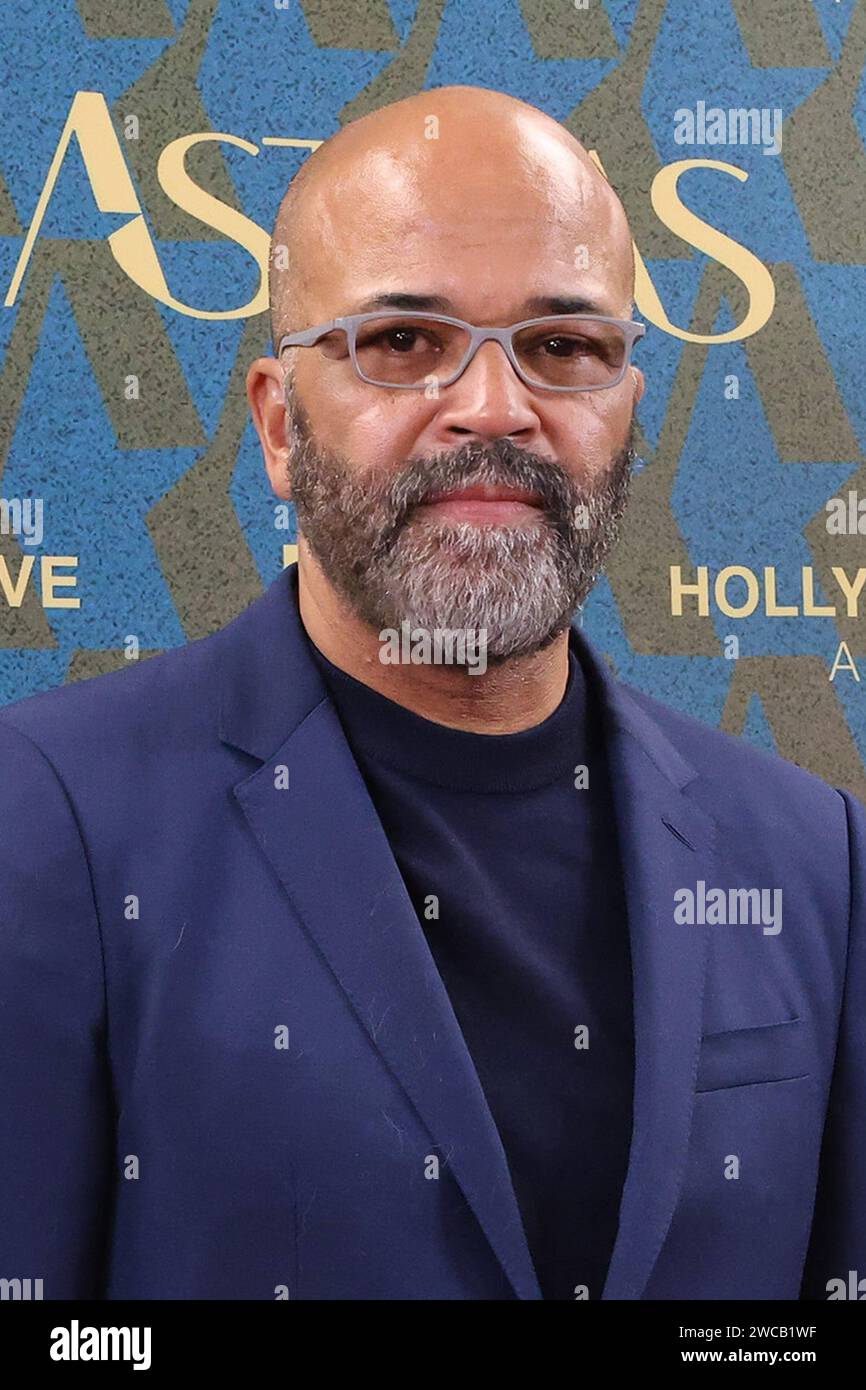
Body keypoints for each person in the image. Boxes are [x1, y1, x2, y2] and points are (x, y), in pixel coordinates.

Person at [0, 85, 862, 1301]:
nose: (495, 407)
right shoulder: (46, 823)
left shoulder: (810, 858)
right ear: (279, 425)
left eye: (564, 347)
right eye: (402, 343)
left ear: (626, 407)